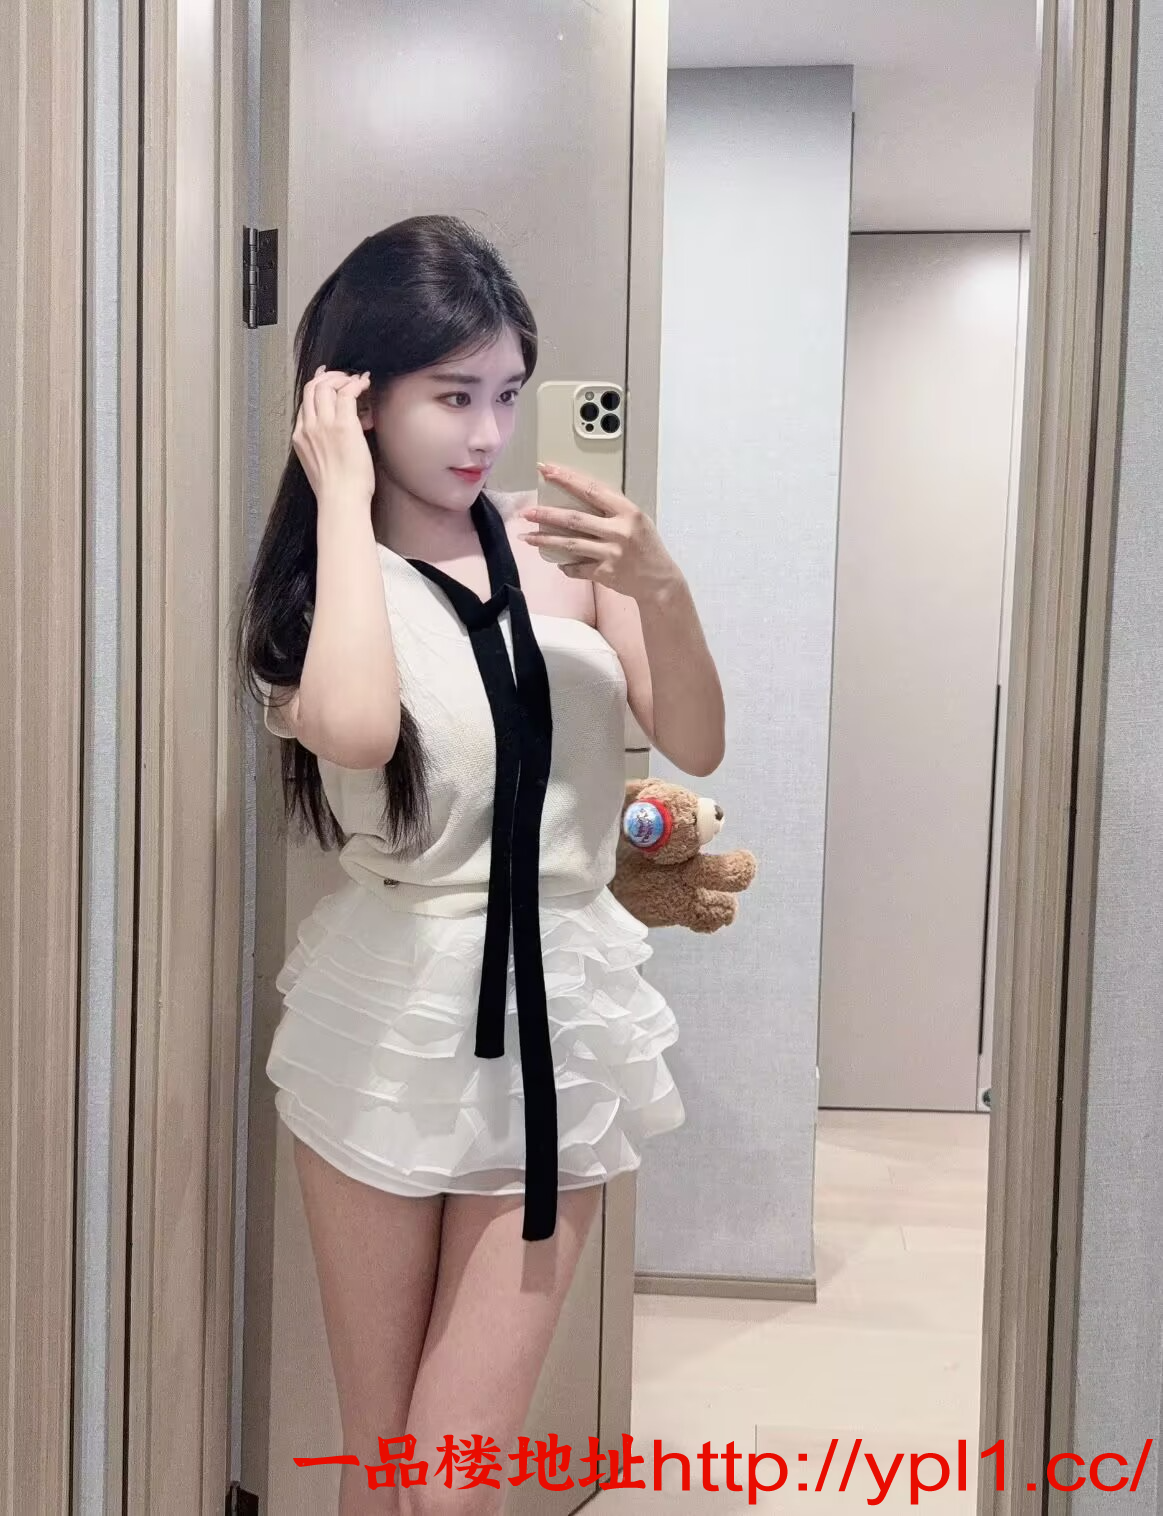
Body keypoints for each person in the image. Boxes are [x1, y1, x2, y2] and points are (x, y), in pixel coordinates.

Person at [234, 214, 725, 1516]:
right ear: (357, 398)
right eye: (453, 395)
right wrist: (344, 504)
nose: (487, 432)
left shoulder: (560, 549)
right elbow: (355, 730)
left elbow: (695, 738)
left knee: (452, 1482)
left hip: (559, 1007)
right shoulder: (318, 591)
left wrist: (660, 585)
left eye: (507, 394)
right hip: (387, 1013)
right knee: (380, 1451)